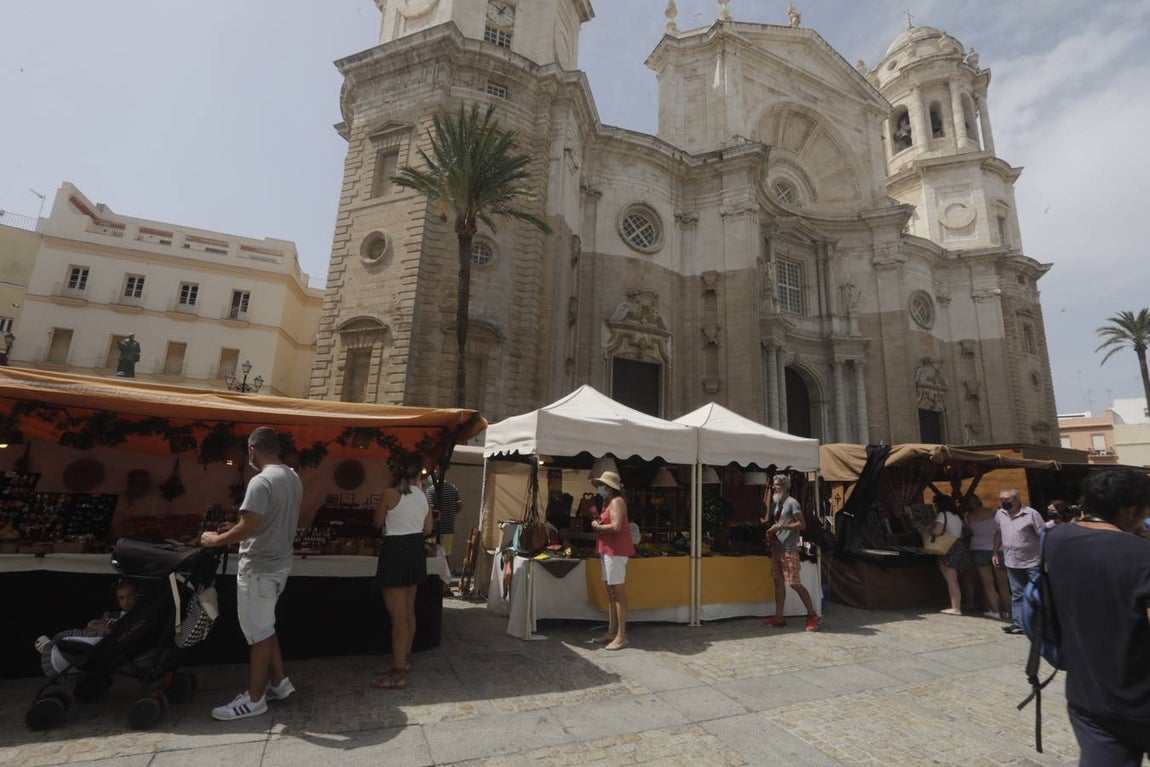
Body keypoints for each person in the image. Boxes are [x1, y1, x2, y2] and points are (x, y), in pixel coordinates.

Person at [1045, 467, 1150, 764]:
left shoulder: (1055, 539)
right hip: (1142, 699)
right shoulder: (1142, 555)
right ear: (1131, 511)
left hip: (1088, 697)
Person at [200, 426, 302, 720]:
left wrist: (216, 539)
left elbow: (248, 528)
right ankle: (279, 682)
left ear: (252, 449)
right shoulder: (292, 477)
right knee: (265, 627)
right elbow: (263, 522)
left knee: (259, 635)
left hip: (259, 568)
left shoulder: (261, 481)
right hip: (278, 565)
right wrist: (235, 530)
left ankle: (255, 700)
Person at [372, 460, 432, 689]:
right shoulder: (422, 496)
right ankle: (403, 660)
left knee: (398, 618)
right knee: (408, 612)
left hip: (396, 551)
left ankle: (398, 672)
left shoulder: (390, 493)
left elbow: (377, 522)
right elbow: (428, 529)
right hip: (415, 550)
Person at [34, 580, 137, 675]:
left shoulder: (134, 616)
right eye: (122, 598)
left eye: (130, 596)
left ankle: (53, 646)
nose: (126, 601)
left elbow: (122, 631)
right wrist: (98, 623)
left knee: (81, 640)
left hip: (107, 641)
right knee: (87, 631)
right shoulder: (117, 614)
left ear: (137, 595)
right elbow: (106, 621)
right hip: (99, 636)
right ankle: (56, 647)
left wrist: (105, 628)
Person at [761, 474, 818, 631]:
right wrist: (773, 531)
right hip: (777, 549)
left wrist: (782, 527)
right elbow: (781, 523)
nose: (774, 487)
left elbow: (802, 524)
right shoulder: (777, 503)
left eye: (777, 484)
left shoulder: (793, 503)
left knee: (794, 583)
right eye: (774, 484)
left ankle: (812, 614)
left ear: (785, 486)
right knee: (778, 583)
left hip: (789, 550)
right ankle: (779, 617)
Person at [590, 470, 633, 651]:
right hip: (609, 550)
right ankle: (612, 631)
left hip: (615, 551)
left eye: (602, 485)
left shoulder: (616, 501)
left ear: (609, 487)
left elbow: (616, 527)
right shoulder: (610, 502)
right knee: (611, 593)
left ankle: (621, 635)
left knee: (617, 593)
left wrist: (598, 526)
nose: (600, 488)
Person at [991, 488, 1043, 635]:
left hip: (1032, 560)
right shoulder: (1000, 514)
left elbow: (1042, 535)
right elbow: (999, 532)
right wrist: (995, 551)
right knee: (1017, 593)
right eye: (1001, 499)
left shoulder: (1031, 514)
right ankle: (1019, 623)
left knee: (1036, 593)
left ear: (1017, 500)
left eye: (1007, 499)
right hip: (1011, 560)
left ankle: (1040, 623)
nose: (1003, 502)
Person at [963, 494, 1010, 620]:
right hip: (998, 549)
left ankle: (995, 611)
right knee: (1003, 584)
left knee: (988, 584)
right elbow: (1002, 530)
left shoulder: (968, 516)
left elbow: (968, 533)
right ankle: (1007, 611)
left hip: (979, 549)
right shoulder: (996, 512)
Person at [930, 494, 969, 616]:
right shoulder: (957, 516)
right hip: (958, 546)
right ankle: (956, 605)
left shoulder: (943, 515)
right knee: (954, 578)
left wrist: (929, 529)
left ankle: (955, 608)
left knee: (951, 580)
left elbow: (937, 531)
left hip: (948, 547)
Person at [424, 472, 460, 568]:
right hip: (449, 528)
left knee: (433, 556)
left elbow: (430, 509)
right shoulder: (452, 488)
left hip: (434, 529)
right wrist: (451, 514)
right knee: (446, 556)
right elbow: (459, 505)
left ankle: (435, 575)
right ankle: (446, 576)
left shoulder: (430, 491)